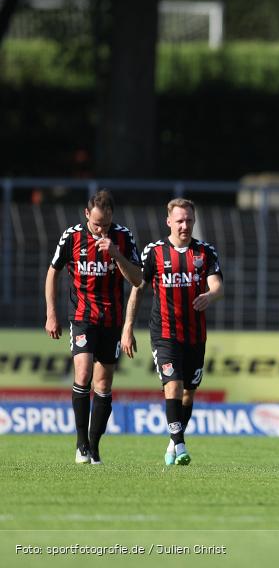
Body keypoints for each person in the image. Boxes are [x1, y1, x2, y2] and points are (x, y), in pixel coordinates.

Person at [121, 198, 224, 466]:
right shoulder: (154, 252)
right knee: (173, 386)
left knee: (188, 393)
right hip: (165, 332)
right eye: (179, 220)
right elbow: (138, 290)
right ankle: (179, 444)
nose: (184, 225)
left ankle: (172, 441)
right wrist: (128, 326)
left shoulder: (205, 252)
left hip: (195, 335)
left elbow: (217, 286)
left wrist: (210, 296)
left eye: (189, 220)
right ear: (168, 221)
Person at [45, 189, 143, 465]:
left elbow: (137, 279)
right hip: (82, 316)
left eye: (106, 224)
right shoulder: (72, 236)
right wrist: (51, 313)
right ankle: (81, 444)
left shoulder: (123, 237)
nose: (101, 229)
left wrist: (116, 254)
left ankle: (95, 445)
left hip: (111, 319)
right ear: (87, 214)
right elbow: (52, 272)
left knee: (104, 382)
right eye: (97, 223)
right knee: (84, 372)